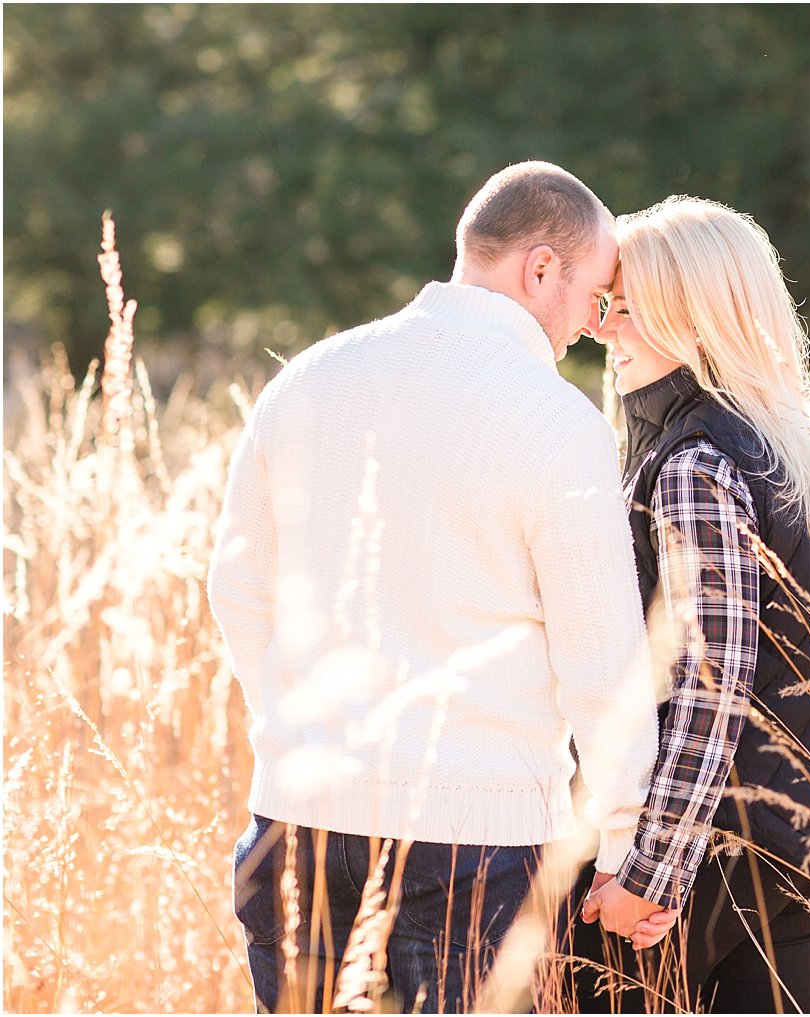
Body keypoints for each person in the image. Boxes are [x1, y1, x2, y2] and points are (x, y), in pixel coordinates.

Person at [207, 161, 666, 1013]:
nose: (594, 327)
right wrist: (630, 840)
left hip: (294, 824)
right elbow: (601, 662)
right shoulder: (557, 422)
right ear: (540, 270)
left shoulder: (306, 378)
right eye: (597, 298)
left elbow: (237, 585)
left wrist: (303, 730)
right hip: (475, 848)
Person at [561, 196, 810, 1013]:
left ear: (693, 320)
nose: (604, 331)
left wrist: (649, 867)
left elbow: (713, 680)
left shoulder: (694, 463)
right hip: (795, 841)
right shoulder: (774, 445)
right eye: (605, 307)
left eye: (627, 310)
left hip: (707, 858)